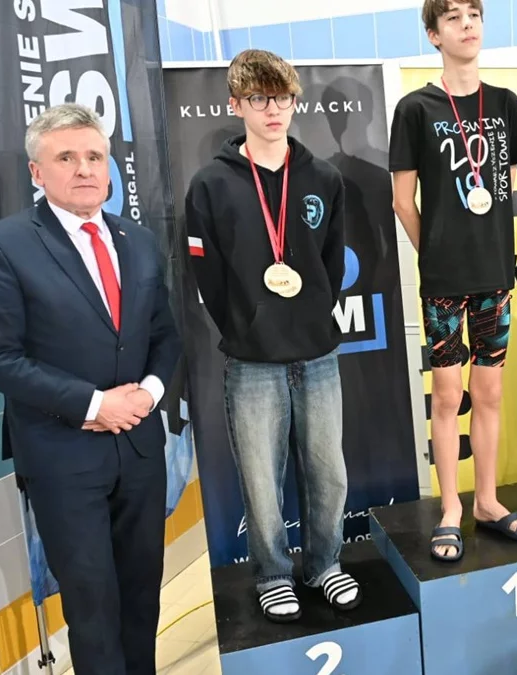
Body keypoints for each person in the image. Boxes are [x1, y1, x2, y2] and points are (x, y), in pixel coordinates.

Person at [0, 103, 181, 675]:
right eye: (66, 157)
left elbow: (165, 335)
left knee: (142, 597)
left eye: (94, 156)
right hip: (63, 456)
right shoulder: (3, 245)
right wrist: (93, 404)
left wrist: (149, 394)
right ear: (37, 172)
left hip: (139, 447)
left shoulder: (137, 241)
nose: (84, 168)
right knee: (92, 609)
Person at [184, 49, 359, 622]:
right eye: (259, 98)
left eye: (282, 97)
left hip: (317, 354)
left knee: (328, 471)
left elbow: (333, 264)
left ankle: (324, 563)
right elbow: (207, 275)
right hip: (252, 360)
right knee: (261, 478)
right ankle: (274, 573)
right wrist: (246, 327)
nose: (273, 109)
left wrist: (309, 317)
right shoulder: (211, 184)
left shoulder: (323, 178)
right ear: (236, 104)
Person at [390, 0, 517, 561]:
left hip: (495, 275)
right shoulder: (415, 108)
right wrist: (435, 255)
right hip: (444, 283)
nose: (467, 24)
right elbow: (402, 200)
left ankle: (489, 501)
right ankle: (451, 506)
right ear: (434, 34)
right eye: (452, 17)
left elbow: (504, 187)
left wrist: (483, 247)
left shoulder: (506, 104)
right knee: (449, 395)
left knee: (491, 391)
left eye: (474, 13)